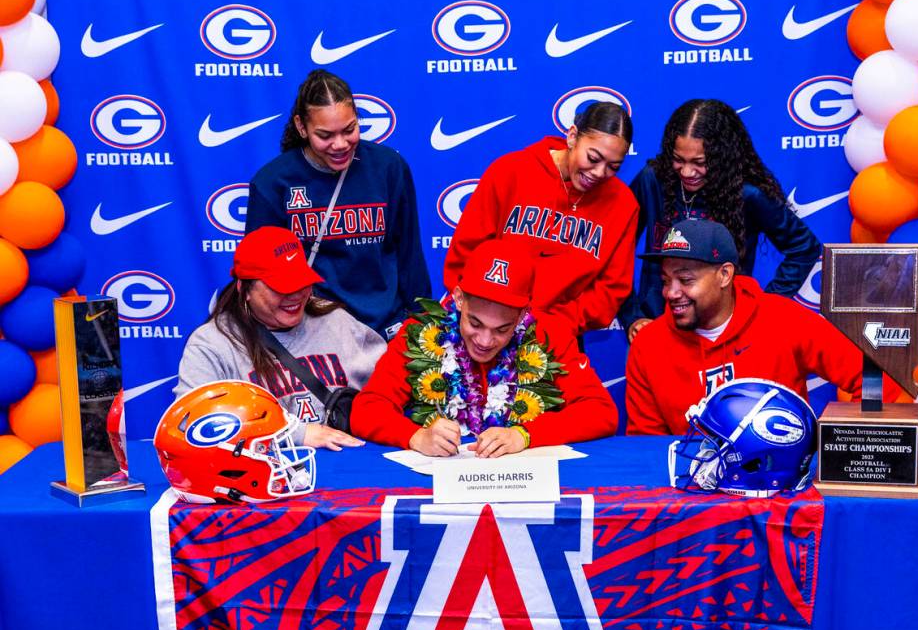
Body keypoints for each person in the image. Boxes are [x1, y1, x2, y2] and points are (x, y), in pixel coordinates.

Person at [353, 239, 618, 456]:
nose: (484, 340)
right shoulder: (419, 332)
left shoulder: (549, 335)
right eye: (475, 323)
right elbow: (367, 409)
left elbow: (600, 411)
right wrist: (415, 436)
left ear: (523, 314)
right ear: (458, 298)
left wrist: (525, 435)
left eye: (502, 329)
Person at [626, 219, 877, 436]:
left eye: (685, 280)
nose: (671, 293)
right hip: (691, 483)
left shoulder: (783, 319)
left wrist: (842, 449)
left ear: (724, 275)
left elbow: (873, 376)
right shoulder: (649, 344)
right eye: (665, 280)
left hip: (780, 481)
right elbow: (646, 445)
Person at [245, 69, 431, 341]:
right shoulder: (272, 182)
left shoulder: (389, 168)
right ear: (301, 127)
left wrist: (422, 326)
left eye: (349, 129)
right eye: (325, 135)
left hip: (384, 330)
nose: (341, 144)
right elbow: (260, 273)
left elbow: (409, 256)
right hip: (313, 333)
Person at [620, 98, 821, 341]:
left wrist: (765, 308)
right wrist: (632, 316)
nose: (686, 172)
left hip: (726, 332)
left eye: (700, 163)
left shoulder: (748, 194)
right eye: (678, 159)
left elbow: (804, 247)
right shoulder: (652, 180)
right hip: (659, 328)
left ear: (721, 157)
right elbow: (614, 248)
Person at [176, 226, 386, 450]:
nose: (295, 295)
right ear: (244, 288)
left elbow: (390, 387)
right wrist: (297, 434)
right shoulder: (212, 343)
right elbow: (192, 423)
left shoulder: (336, 321)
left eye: (301, 282)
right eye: (281, 287)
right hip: (263, 474)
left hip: (348, 468)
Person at [442, 102, 637, 338]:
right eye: (593, 158)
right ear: (573, 136)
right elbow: (464, 255)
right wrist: (487, 318)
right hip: (489, 331)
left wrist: (557, 324)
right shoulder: (509, 172)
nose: (599, 172)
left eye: (613, 167)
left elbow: (611, 289)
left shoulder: (623, 204)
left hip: (557, 337)